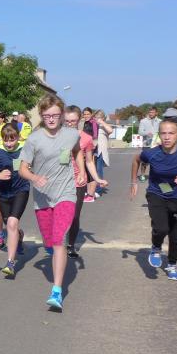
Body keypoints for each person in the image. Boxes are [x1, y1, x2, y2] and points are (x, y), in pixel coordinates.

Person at [19, 94, 85, 310]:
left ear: (62, 114)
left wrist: (82, 171)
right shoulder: (34, 139)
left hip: (66, 193)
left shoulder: (72, 134)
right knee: (49, 240)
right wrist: (34, 177)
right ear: (41, 115)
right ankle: (51, 249)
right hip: (42, 197)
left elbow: (77, 151)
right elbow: (22, 169)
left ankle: (57, 291)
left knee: (59, 240)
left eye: (55, 115)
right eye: (47, 115)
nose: (51, 119)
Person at [130, 120, 177, 281]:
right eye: (163, 133)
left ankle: (172, 264)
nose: (167, 137)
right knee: (161, 228)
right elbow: (136, 160)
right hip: (157, 194)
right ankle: (156, 247)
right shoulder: (152, 153)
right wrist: (134, 182)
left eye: (171, 133)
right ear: (159, 135)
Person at [0, 123, 30, 277]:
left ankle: (10, 263)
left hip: (21, 189)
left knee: (12, 223)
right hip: (3, 192)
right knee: (8, 222)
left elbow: (35, 164)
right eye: (6, 140)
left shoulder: (25, 148)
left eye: (12, 139)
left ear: (18, 137)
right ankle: (19, 235)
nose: (9, 143)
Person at [63, 107, 109, 258]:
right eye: (67, 121)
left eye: (73, 121)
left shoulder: (86, 138)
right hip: (60, 182)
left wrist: (97, 179)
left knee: (74, 215)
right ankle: (58, 241)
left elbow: (89, 161)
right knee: (60, 214)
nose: (69, 123)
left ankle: (70, 245)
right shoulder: (57, 137)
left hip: (78, 181)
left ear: (79, 120)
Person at [92, 110, 113, 198]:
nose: (97, 118)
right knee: (90, 171)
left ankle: (98, 190)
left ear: (103, 118)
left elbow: (110, 130)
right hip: (91, 151)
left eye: (99, 117)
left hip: (100, 151)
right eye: (96, 117)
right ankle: (90, 189)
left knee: (98, 170)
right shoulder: (92, 125)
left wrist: (102, 122)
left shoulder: (104, 126)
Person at [137, 107, 161, 182]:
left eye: (152, 112)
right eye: (150, 112)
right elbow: (140, 132)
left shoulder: (160, 121)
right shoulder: (143, 121)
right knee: (145, 161)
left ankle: (155, 176)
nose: (151, 114)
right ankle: (142, 175)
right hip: (146, 144)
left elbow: (162, 131)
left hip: (156, 144)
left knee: (156, 161)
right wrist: (147, 133)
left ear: (156, 113)